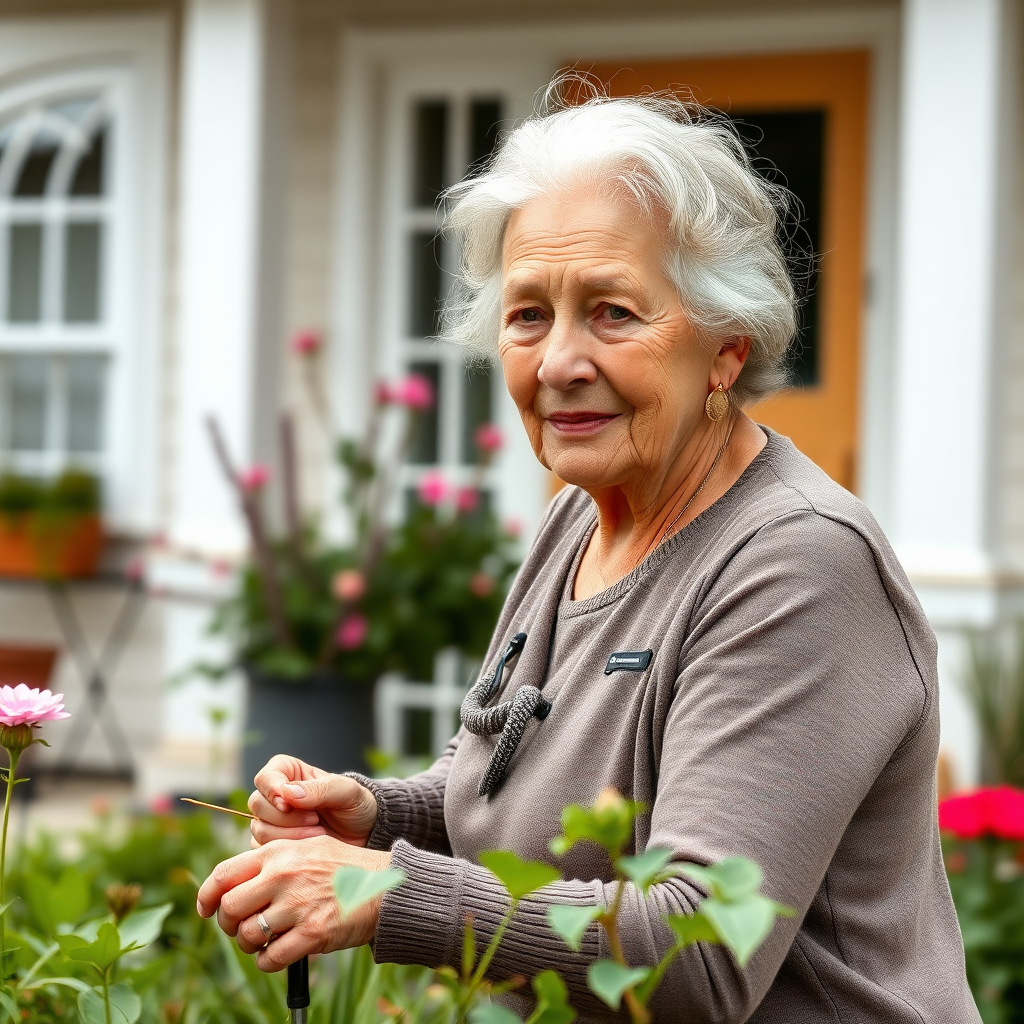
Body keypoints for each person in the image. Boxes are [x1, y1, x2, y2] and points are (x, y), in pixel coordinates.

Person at [197, 83, 980, 1022]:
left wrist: (379, 892)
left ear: (726, 346)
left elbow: (696, 952)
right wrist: (371, 816)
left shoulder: (798, 565)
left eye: (612, 311)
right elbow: (489, 789)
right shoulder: (581, 517)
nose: (559, 360)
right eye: (529, 315)